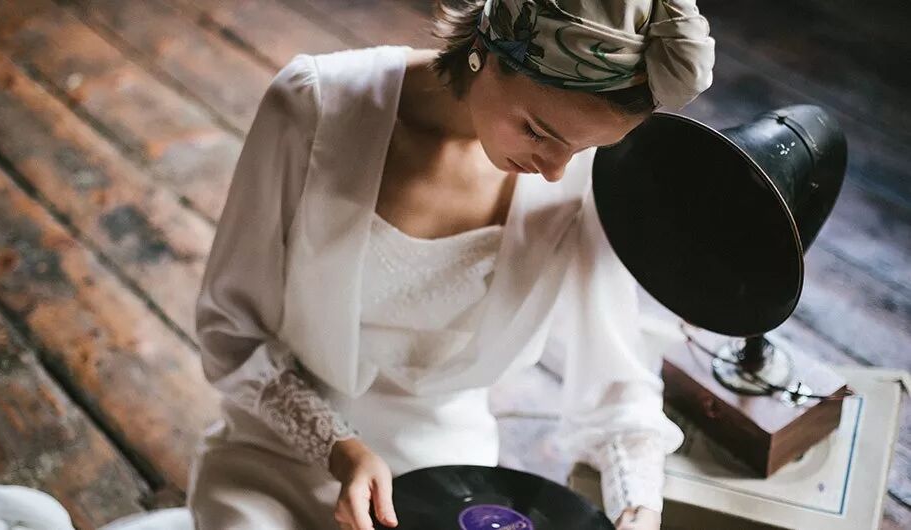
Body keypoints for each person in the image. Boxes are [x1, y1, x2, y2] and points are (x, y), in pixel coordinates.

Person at [187, 1, 715, 529]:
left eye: (582, 149)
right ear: (484, 50)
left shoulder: (584, 181)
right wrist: (338, 448)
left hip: (449, 485)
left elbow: (617, 385)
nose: (556, 172)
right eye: (537, 131)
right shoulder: (314, 104)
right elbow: (230, 331)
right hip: (277, 457)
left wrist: (638, 507)